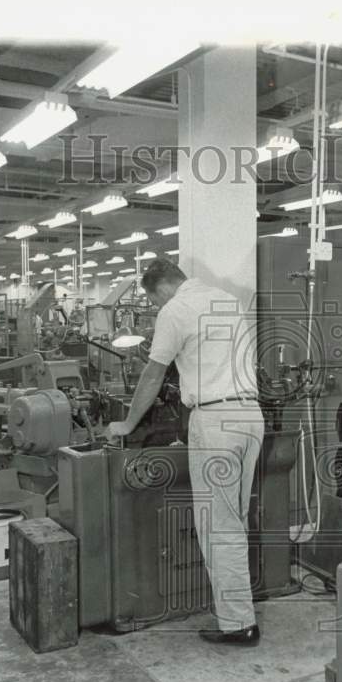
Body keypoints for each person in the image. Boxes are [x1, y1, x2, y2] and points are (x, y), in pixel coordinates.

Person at [105, 259, 264, 647]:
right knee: (234, 522)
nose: (157, 307)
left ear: (157, 290)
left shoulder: (175, 309)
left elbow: (154, 374)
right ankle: (237, 611)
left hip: (215, 421)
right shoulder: (226, 300)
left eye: (153, 301)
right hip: (250, 416)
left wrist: (127, 423)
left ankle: (238, 624)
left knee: (219, 528)